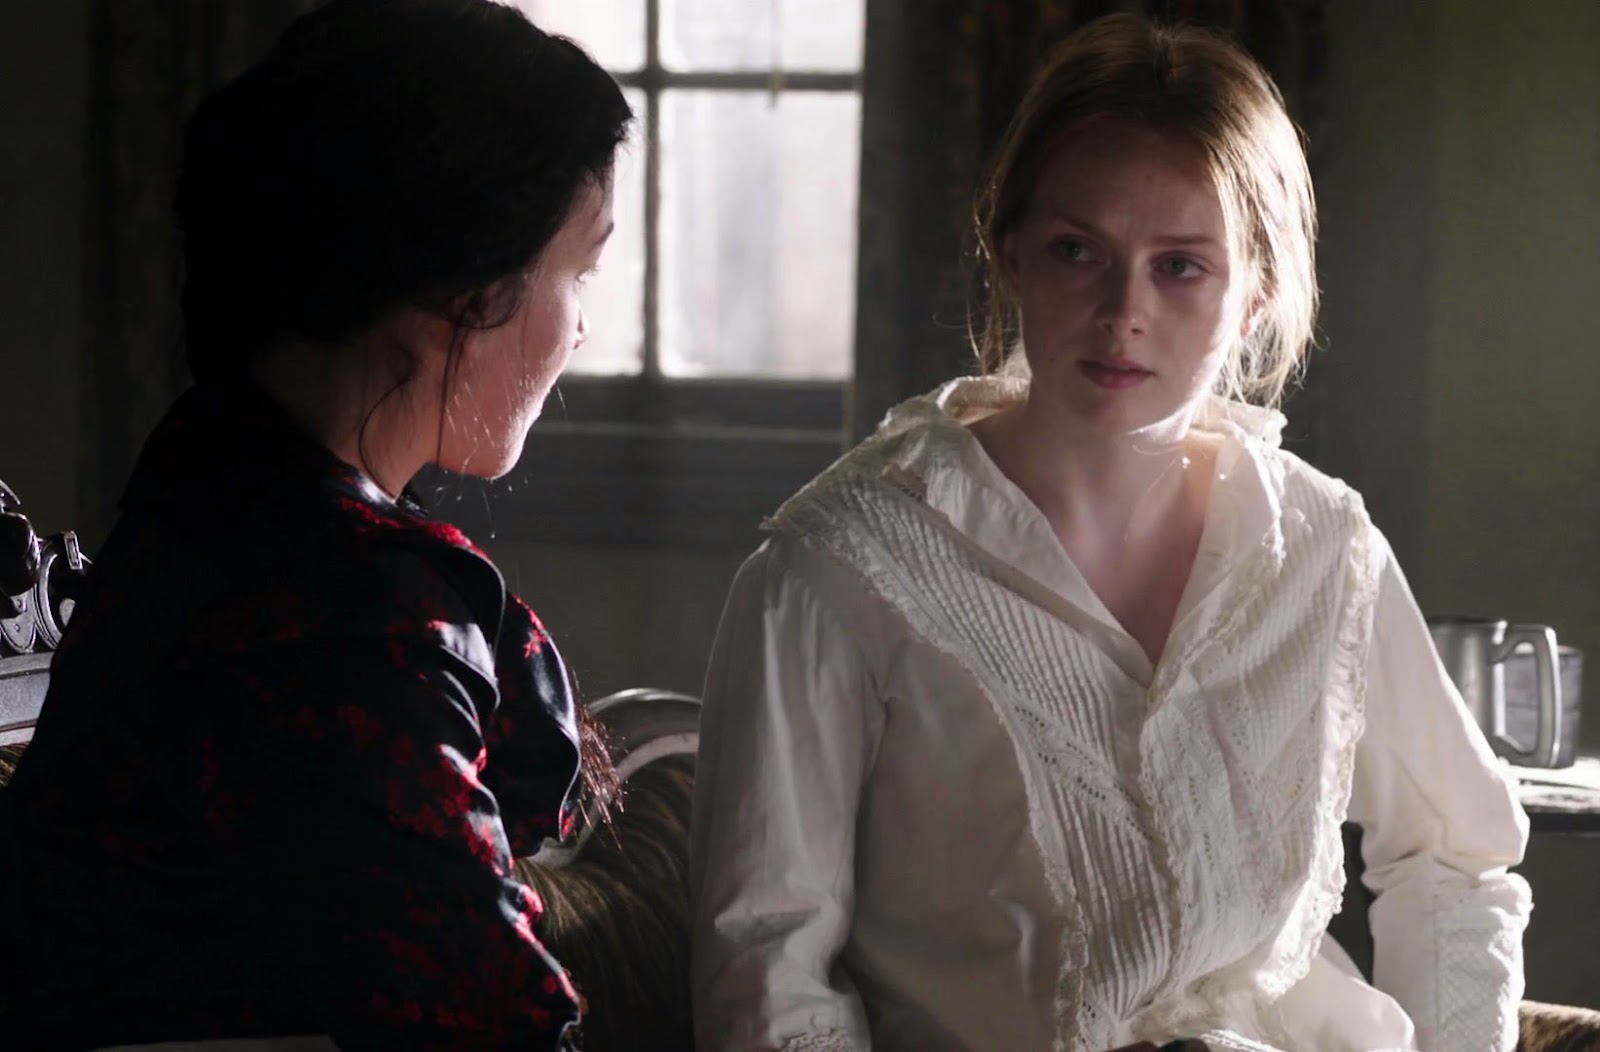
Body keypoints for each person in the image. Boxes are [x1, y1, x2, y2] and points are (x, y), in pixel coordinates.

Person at [689, 14, 1531, 1052]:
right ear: (1008, 251)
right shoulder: (838, 567)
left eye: (1181, 266)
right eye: (1077, 250)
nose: (1122, 310)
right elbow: (766, 969)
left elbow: (1453, 854)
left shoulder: (1323, 545)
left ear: (1257, 293)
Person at [0, 1, 629, 1048]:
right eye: (584, 268)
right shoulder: (334, 622)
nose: (583, 327)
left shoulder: (212, 505)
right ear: (466, 290)